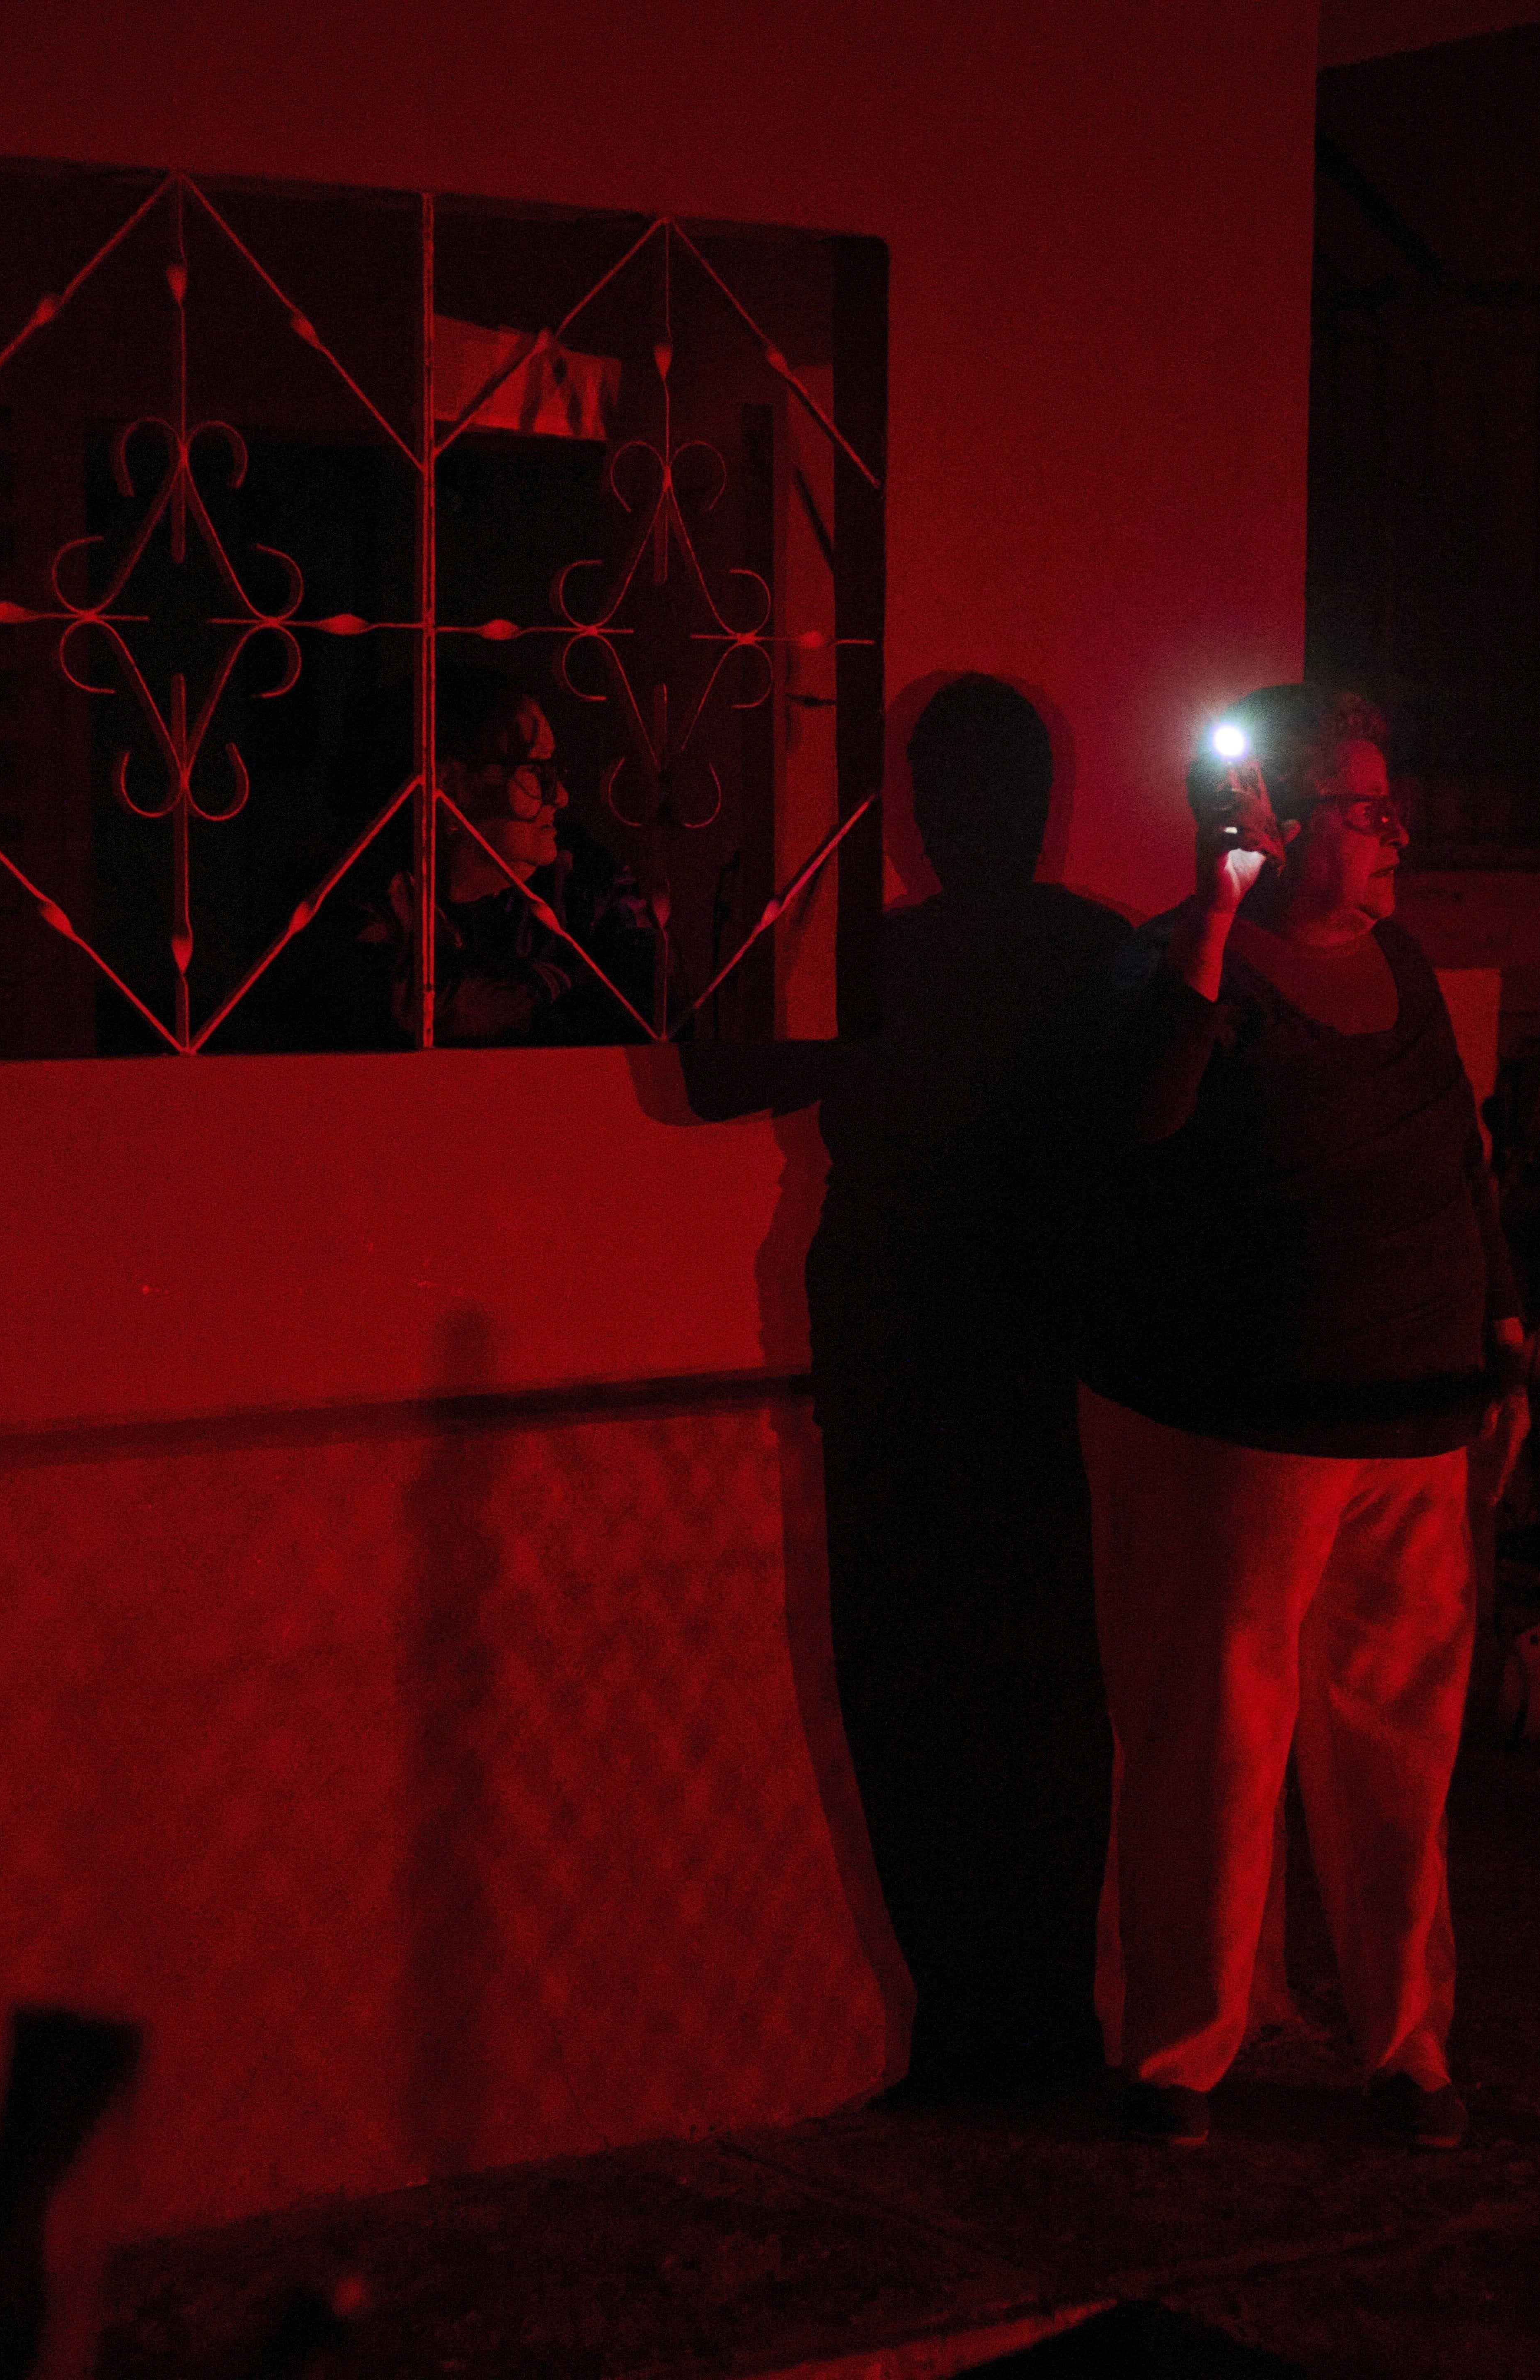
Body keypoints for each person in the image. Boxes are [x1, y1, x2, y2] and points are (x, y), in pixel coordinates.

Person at [1077, 683, 1528, 2150]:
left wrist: (1501, 1334)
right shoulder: (1181, 964)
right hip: (1247, 1430)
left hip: (1412, 1421)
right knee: (1218, 1740)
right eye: (1362, 807)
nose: (1395, 832)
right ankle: (1179, 2056)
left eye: (1391, 804)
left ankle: (1403, 2043)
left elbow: (1461, 1156)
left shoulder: (1399, 961)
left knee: (1399, 1750)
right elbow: (1137, 1120)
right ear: (1271, 817)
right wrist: (1213, 915)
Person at [687, 674, 1128, 2106]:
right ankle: (1040, 2028)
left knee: (921, 1709)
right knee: (1046, 1705)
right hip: (1045, 1379)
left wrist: (740, 888)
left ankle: (972, 2032)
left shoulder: (887, 966)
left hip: (907, 1377)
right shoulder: (1093, 956)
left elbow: (711, 1076)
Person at [369, 668, 662, 1045]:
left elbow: (651, 1005)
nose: (561, 796)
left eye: (556, 771)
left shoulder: (575, 877)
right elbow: (413, 1016)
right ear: (449, 785)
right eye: (536, 771)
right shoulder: (370, 898)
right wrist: (554, 982)